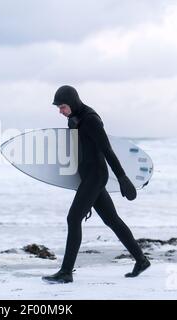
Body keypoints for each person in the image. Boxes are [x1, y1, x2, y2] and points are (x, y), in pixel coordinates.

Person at [42, 85, 151, 284]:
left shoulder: (91, 120)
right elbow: (77, 153)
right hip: (88, 178)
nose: (60, 111)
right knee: (112, 220)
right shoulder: (73, 120)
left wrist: (122, 178)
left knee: (73, 218)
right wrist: (79, 185)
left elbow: (107, 150)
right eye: (58, 108)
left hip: (96, 176)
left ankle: (66, 272)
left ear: (72, 103)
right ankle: (141, 260)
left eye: (62, 106)